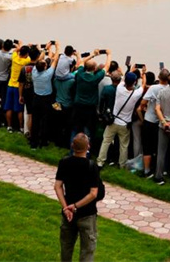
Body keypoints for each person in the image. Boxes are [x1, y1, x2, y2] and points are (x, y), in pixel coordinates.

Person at [54, 133, 100, 262]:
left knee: (66, 248)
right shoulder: (91, 166)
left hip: (68, 214)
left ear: (72, 146)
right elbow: (93, 193)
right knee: (87, 251)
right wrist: (75, 206)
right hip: (87, 214)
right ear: (88, 147)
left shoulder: (64, 162)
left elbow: (57, 186)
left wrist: (66, 207)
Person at [97, 70, 140, 167]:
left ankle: (100, 161)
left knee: (106, 141)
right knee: (123, 145)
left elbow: (122, 80)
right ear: (135, 82)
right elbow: (143, 87)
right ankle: (122, 164)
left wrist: (128, 69)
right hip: (125, 123)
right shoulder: (135, 94)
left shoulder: (119, 89)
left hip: (113, 121)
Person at [71, 50, 110, 143]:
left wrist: (93, 55)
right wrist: (109, 54)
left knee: (76, 128)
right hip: (90, 108)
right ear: (94, 69)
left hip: (78, 106)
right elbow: (107, 67)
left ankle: (73, 148)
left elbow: (81, 62)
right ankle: (86, 152)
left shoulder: (80, 74)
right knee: (87, 129)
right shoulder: (95, 78)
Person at [140, 69, 169, 178]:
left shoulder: (153, 88)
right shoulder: (169, 89)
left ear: (159, 77)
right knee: (160, 147)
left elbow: (143, 102)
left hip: (150, 119)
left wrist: (143, 109)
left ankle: (147, 170)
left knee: (147, 146)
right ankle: (160, 169)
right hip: (162, 122)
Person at [31, 42, 60, 149]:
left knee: (35, 121)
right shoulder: (48, 74)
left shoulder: (34, 71)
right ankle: (43, 141)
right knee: (45, 121)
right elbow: (55, 60)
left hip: (36, 98)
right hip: (46, 100)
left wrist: (45, 49)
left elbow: (39, 60)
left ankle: (33, 142)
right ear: (44, 67)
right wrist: (57, 47)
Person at [5, 43, 32, 132]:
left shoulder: (14, 58)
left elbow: (15, 50)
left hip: (10, 85)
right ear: (27, 54)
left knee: (9, 107)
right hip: (18, 88)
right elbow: (36, 58)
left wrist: (20, 46)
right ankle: (20, 127)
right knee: (19, 109)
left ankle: (9, 126)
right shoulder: (26, 61)